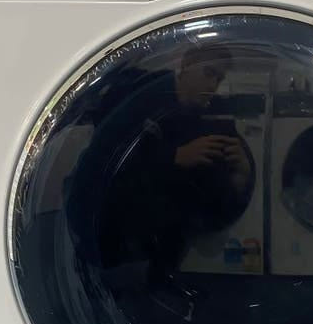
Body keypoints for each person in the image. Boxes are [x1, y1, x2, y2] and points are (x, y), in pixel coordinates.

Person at [65, 43, 254, 276]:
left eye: (219, 79)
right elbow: (104, 166)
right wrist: (175, 157)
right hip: (105, 240)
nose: (213, 86)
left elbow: (208, 194)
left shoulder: (206, 119)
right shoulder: (139, 97)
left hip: (155, 249)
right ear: (186, 64)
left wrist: (243, 175)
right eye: (209, 73)